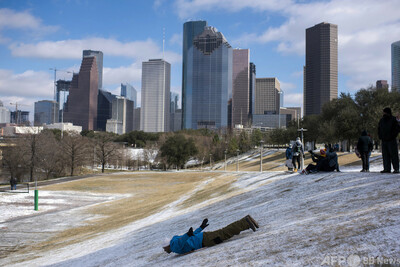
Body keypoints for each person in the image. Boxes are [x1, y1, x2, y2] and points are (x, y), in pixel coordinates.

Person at [163, 215, 259, 255]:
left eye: (164, 248)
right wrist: (201, 227)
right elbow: (192, 235)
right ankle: (247, 222)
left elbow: (181, 241)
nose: (164, 250)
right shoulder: (176, 242)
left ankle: (246, 222)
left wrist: (187, 235)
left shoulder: (174, 246)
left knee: (225, 233)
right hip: (204, 237)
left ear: (167, 246)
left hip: (205, 240)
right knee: (224, 232)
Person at [378, 107, 400, 173]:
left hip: (392, 140)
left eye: (384, 112)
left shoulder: (393, 119)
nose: (383, 113)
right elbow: (379, 129)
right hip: (384, 140)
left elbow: (397, 129)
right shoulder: (382, 120)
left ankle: (396, 168)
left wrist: (392, 136)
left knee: (394, 155)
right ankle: (387, 168)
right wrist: (380, 136)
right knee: (385, 155)